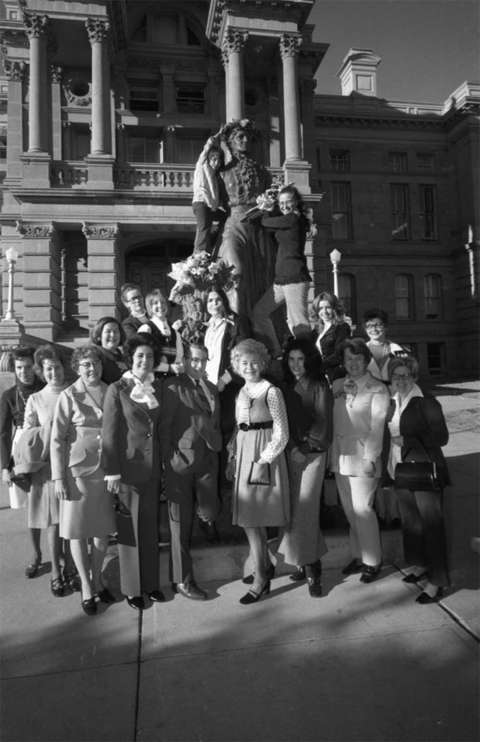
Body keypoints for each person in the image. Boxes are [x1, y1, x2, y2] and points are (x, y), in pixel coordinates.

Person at [51, 345, 115, 616]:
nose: (92, 369)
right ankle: (87, 587)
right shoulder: (69, 395)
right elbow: (56, 440)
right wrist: (58, 478)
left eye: (96, 364)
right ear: (77, 368)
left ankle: (98, 578)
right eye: (86, 364)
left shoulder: (112, 390)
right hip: (77, 473)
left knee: (102, 531)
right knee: (78, 531)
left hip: (106, 470)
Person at [102, 334, 165, 610]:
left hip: (152, 471)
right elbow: (109, 434)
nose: (145, 360)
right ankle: (132, 588)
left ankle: (151, 584)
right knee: (130, 532)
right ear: (131, 358)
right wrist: (112, 471)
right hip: (128, 470)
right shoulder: (117, 388)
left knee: (150, 529)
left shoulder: (157, 388)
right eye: (140, 355)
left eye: (149, 356)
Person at [230, 339, 289, 604]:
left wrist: (263, 460)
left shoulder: (271, 391)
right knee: (249, 518)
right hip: (244, 453)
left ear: (262, 363)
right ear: (237, 366)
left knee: (255, 518)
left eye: (254, 362)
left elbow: (282, 431)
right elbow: (239, 426)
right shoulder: (241, 391)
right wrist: (234, 457)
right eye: (244, 362)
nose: (249, 367)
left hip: (263, 454)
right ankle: (262, 566)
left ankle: (260, 578)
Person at [160, 343, 222, 600]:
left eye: (203, 360)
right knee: (179, 526)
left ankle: (207, 520)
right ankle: (183, 580)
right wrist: (169, 462)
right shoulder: (173, 387)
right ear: (185, 360)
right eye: (195, 360)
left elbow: (215, 421)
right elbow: (163, 428)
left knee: (210, 510)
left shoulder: (211, 388)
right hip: (180, 466)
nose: (199, 365)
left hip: (208, 462)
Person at [387, 355, 450, 603]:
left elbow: (441, 437)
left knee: (432, 527)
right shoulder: (392, 401)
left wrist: (410, 440)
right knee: (412, 522)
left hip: (424, 471)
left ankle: (437, 582)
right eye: (396, 375)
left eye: (405, 375)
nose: (400, 380)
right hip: (399, 469)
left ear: (414, 376)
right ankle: (421, 565)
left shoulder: (426, 401)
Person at [331, 338, 390, 583]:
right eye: (348, 359)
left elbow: (377, 427)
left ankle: (372, 561)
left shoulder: (378, 388)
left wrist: (371, 458)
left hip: (364, 457)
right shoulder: (336, 385)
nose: (353, 363)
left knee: (363, 510)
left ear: (366, 360)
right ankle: (359, 556)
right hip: (340, 456)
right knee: (349, 510)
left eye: (358, 358)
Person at [16, 346, 73, 597]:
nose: (53, 372)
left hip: (73, 464)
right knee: (53, 522)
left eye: (57, 367)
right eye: (48, 368)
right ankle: (56, 573)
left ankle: (71, 566)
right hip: (47, 468)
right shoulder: (35, 399)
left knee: (73, 521)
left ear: (64, 367)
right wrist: (48, 429)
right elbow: (26, 435)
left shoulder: (74, 392)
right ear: (41, 371)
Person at [278, 338, 332, 597]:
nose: (296, 365)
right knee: (295, 512)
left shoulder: (319, 385)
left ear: (308, 359)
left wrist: (305, 449)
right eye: (291, 360)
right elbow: (281, 423)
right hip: (291, 453)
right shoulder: (284, 386)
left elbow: (323, 424)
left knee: (306, 510)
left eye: (301, 359)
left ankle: (313, 571)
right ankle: (303, 559)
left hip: (313, 455)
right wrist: (292, 449)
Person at [217, 119, 273, 316]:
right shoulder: (222, 167)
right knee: (235, 273)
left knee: (262, 279)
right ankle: (237, 328)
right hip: (235, 221)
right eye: (240, 137)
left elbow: (271, 196)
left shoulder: (261, 170)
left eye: (247, 137)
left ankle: (261, 328)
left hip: (259, 224)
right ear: (230, 141)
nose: (245, 140)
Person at [252, 185, 312, 359]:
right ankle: (277, 350)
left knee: (298, 324)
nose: (285, 206)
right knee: (259, 312)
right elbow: (270, 226)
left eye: (288, 202)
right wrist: (270, 210)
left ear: (296, 203)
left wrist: (264, 210)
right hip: (281, 280)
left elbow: (266, 223)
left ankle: (307, 360)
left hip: (295, 278)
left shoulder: (294, 218)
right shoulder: (286, 220)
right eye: (281, 202)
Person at [0, 346, 44, 576]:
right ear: (14, 369)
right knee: (31, 508)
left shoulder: (46, 388)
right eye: (19, 368)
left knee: (55, 503)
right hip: (20, 451)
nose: (24, 372)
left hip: (45, 445)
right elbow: (3, 433)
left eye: (28, 367)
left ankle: (64, 557)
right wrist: (4, 467)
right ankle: (36, 554)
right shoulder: (9, 395)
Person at [192, 133, 228, 254]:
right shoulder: (202, 165)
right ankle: (199, 255)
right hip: (201, 203)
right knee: (204, 229)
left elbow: (217, 196)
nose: (216, 162)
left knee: (226, 217)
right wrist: (218, 135)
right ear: (208, 159)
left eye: (219, 160)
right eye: (214, 159)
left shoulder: (215, 176)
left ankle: (211, 244)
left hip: (211, 207)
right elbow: (206, 148)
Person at [138, 289, 184, 377]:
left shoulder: (175, 333)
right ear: (150, 307)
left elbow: (179, 358)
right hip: (151, 380)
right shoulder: (146, 329)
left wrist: (178, 367)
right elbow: (142, 360)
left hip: (172, 381)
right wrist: (168, 368)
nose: (160, 305)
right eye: (155, 303)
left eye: (163, 302)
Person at [311, 292, 351, 382]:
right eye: (320, 308)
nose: (324, 311)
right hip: (319, 376)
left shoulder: (342, 327)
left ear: (335, 309)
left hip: (335, 376)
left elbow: (339, 354)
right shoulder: (316, 330)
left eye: (328, 307)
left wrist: (319, 365)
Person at [363, 308, 405, 382]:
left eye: (378, 325)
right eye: (369, 326)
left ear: (386, 327)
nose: (374, 329)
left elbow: (406, 373)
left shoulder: (397, 349)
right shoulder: (361, 350)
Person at [90, 316, 127, 384]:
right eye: (108, 331)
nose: (112, 335)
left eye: (116, 331)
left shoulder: (123, 356)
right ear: (99, 335)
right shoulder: (95, 356)